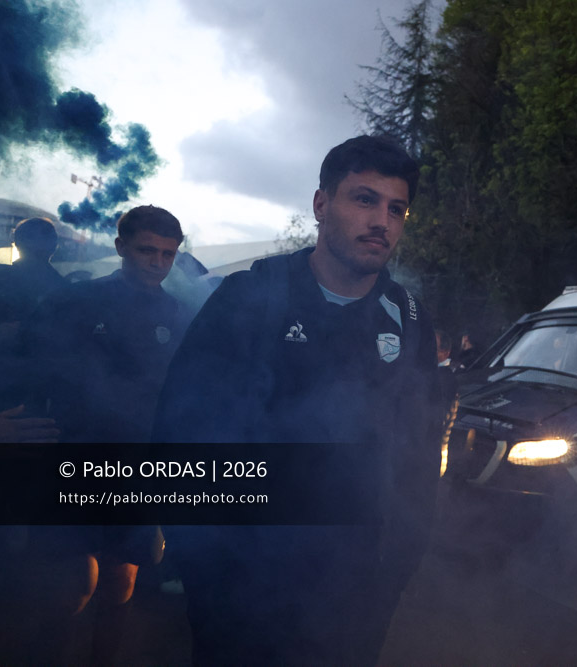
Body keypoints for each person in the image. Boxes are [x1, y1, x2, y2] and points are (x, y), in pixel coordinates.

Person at [152, 135, 441, 665]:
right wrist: (200, 560)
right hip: (240, 583)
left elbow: (420, 452)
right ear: (321, 204)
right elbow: (181, 426)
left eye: (395, 208)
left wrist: (399, 562)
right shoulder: (252, 297)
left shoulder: (409, 318)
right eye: (363, 199)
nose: (382, 220)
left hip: (354, 589)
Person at [24, 204, 187, 665]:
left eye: (167, 255)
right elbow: (34, 371)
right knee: (73, 588)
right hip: (74, 460)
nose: (157, 263)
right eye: (146, 251)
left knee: (121, 583)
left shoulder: (176, 315)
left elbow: (183, 392)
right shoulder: (74, 303)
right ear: (121, 248)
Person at [0, 217, 66, 441]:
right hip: (5, 393)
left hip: (20, 393)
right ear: (55, 246)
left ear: (15, 242)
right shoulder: (65, 289)